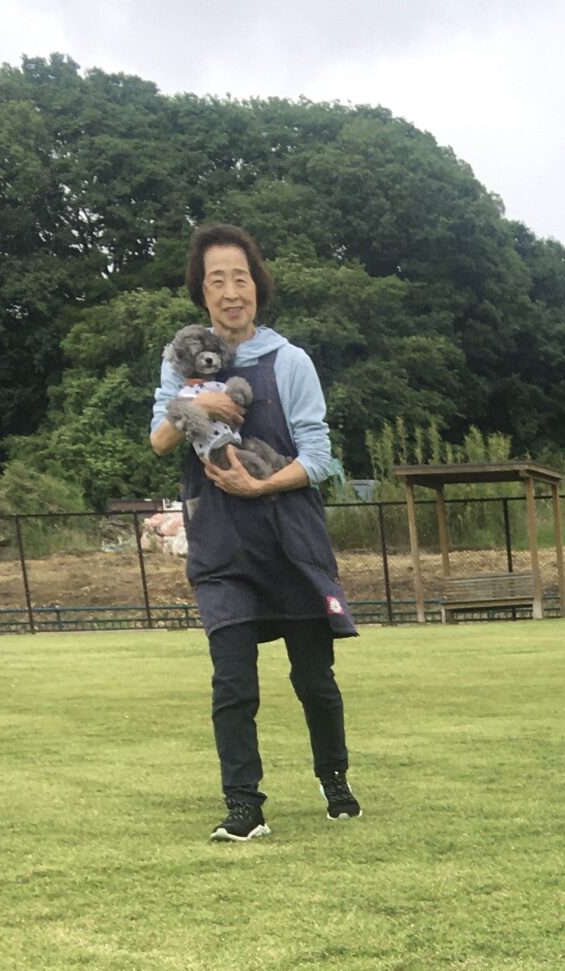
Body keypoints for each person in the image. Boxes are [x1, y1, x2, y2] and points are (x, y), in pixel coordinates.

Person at [149, 223, 361, 842]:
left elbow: (320, 457)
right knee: (233, 682)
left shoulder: (289, 360)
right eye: (216, 280)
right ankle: (244, 805)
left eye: (239, 278)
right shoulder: (181, 360)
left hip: (290, 538)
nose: (230, 291)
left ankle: (334, 778)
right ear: (202, 292)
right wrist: (200, 406)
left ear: (257, 286)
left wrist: (259, 485)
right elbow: (159, 440)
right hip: (220, 543)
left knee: (314, 681)